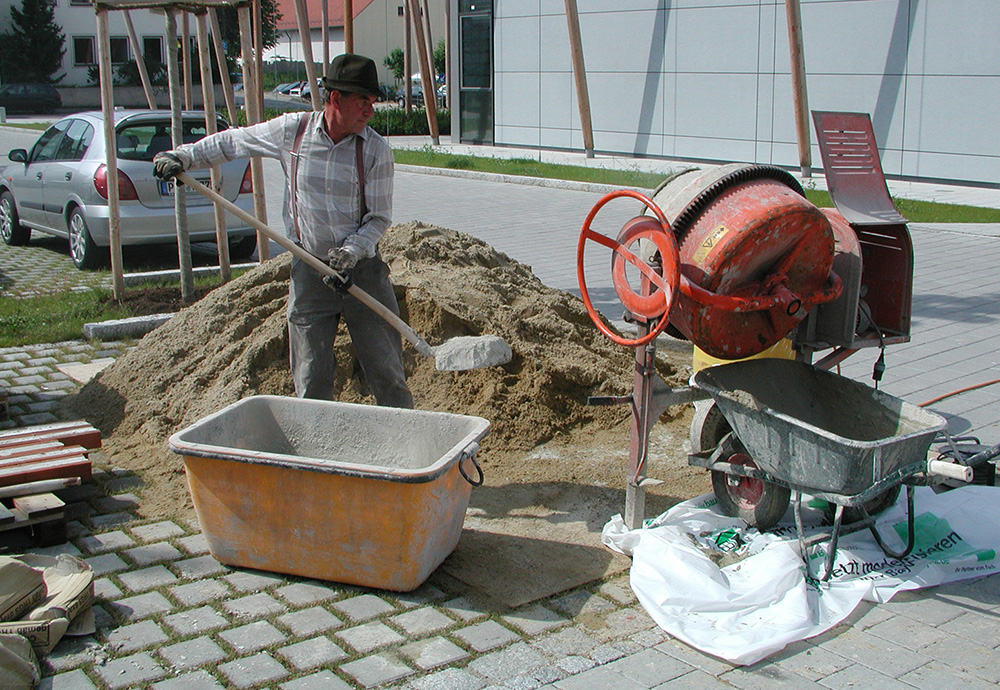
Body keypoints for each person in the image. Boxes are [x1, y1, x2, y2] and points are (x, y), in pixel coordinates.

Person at [153, 53, 413, 409]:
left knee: (387, 373)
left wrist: (351, 253)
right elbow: (235, 141)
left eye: (372, 101)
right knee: (310, 376)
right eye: (362, 101)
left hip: (363, 273)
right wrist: (184, 156)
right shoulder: (293, 132)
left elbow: (379, 219)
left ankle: (403, 437)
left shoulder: (375, 150)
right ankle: (314, 441)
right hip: (309, 272)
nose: (370, 110)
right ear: (335, 98)